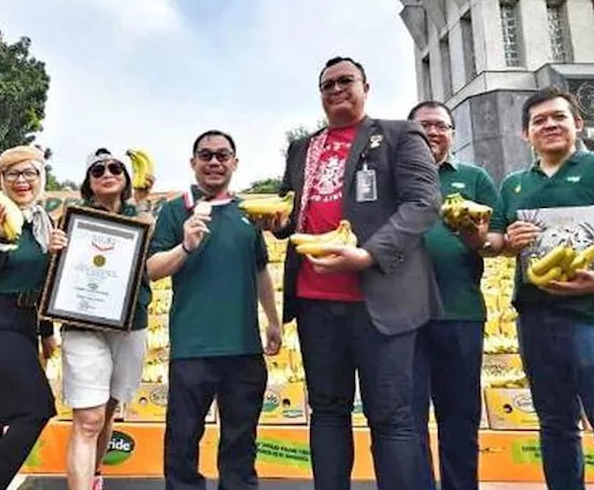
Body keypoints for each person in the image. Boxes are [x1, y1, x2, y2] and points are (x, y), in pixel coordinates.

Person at [262, 57, 441, 490]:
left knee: (392, 416)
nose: (336, 89)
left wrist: (368, 254)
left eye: (346, 81)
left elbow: (423, 204)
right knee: (326, 410)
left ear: (366, 86)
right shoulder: (304, 148)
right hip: (315, 301)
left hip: (380, 299)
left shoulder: (400, 134)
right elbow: (296, 208)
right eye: (327, 84)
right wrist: (279, 223)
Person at [487, 87, 594, 490]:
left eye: (559, 117)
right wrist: (507, 242)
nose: (549, 125)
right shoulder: (514, 184)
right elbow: (495, 244)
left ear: (578, 124)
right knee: (555, 426)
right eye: (538, 121)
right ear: (524, 134)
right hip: (537, 318)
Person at [148, 130, 281, 490]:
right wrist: (186, 246)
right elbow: (152, 268)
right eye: (205, 155)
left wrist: (273, 321)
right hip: (193, 347)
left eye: (223, 155)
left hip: (243, 347)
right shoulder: (176, 211)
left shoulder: (250, 213)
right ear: (193, 163)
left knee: (240, 443)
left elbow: (259, 270)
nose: (214, 162)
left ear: (235, 163)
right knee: (182, 440)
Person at [0, 146, 63, 490]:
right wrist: (2, 242)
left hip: (23, 324)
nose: (22, 181)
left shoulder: (42, 225)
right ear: (1, 181)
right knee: (35, 410)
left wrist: (46, 331)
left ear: (41, 178)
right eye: (13, 174)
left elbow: (42, 283)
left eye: (30, 173)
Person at [407, 101, 498, 490]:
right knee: (407, 421)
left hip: (459, 311)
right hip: (402, 316)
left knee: (460, 418)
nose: (432, 132)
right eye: (423, 126)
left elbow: (500, 240)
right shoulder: (393, 179)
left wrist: (478, 238)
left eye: (441, 126)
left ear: (452, 133)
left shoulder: (474, 178)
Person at [63, 149, 154, 490]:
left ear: (127, 177)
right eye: (97, 170)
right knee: (88, 417)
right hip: (83, 324)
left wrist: (144, 204)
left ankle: (95, 474)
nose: (106, 173)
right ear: (88, 182)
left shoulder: (140, 214)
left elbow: (152, 256)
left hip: (130, 322)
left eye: (115, 168)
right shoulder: (75, 219)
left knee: (109, 407)